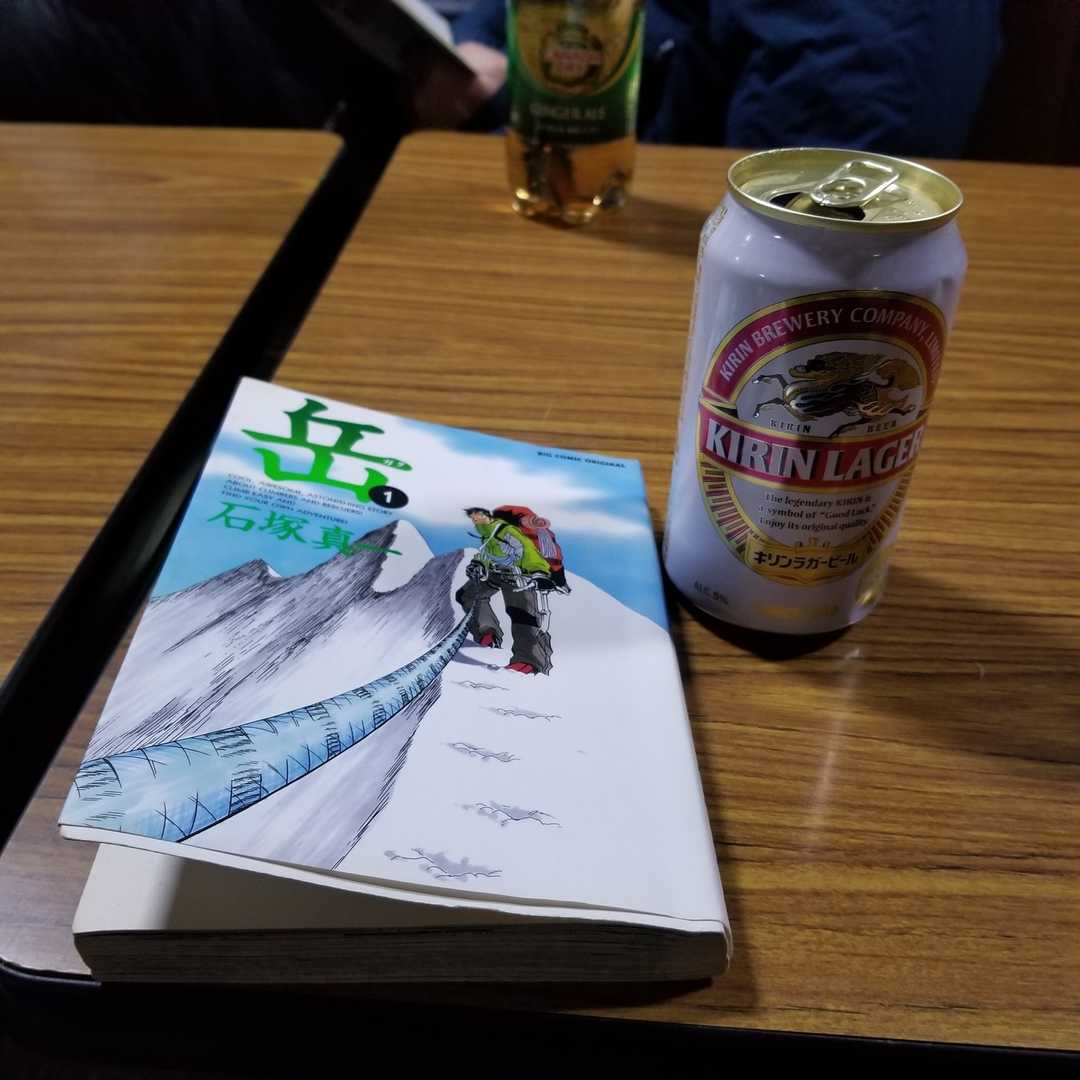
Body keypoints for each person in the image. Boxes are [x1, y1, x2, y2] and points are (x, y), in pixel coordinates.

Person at [442, 0, 1003, 159]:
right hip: (596, 141)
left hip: (688, 224)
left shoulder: (870, 46)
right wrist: (481, 42)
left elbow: (788, 226)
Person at [455, 507, 556, 675]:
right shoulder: (488, 534)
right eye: (473, 518)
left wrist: (539, 571)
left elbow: (526, 550)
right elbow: (487, 553)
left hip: (517, 576)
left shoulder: (506, 531)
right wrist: (478, 564)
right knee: (467, 595)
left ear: (487, 515)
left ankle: (529, 660)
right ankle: (487, 633)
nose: (475, 520)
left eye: (477, 516)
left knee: (522, 615)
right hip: (496, 573)